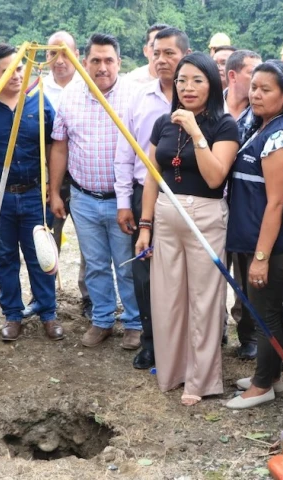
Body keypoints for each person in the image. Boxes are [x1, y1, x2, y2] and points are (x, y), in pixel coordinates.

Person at [135, 52, 239, 406]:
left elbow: (215, 176)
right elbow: (152, 175)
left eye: (197, 80)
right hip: (166, 215)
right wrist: (145, 225)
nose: (187, 87)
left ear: (212, 84)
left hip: (205, 217)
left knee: (204, 301)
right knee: (167, 299)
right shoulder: (163, 123)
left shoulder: (224, 126)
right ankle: (173, 371)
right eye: (182, 80)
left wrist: (195, 131)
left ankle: (201, 379)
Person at [49, 33, 141, 348]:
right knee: (95, 263)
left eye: (108, 60)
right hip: (83, 198)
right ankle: (102, 319)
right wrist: (54, 192)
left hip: (122, 201)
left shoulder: (133, 95)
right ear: (84, 62)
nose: (102, 67)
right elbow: (60, 146)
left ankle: (134, 323)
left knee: (126, 265)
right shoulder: (71, 95)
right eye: (95, 61)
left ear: (119, 62)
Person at [223, 60, 283, 409]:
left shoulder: (280, 136)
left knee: (266, 313)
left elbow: (276, 203)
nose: (256, 94)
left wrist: (261, 257)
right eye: (254, 87)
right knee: (266, 309)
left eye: (265, 89)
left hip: (268, 243)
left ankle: (262, 386)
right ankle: (269, 375)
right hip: (253, 236)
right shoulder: (260, 126)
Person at [0, 44, 61, 342]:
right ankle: (13, 314)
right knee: (5, 256)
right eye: (8, 70)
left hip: (33, 192)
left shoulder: (39, 102)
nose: (16, 75)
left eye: (19, 68)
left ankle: (48, 312)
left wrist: (52, 188)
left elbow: (54, 146)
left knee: (39, 254)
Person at [115, 27, 191, 370]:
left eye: (170, 54)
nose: (162, 60)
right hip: (140, 192)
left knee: (183, 272)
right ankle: (150, 342)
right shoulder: (137, 97)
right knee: (144, 273)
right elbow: (124, 152)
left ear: (185, 56)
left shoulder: (199, 98)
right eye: (157, 52)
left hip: (186, 196)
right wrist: (122, 201)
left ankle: (183, 343)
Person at [40, 31, 92, 320]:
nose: (59, 60)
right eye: (52, 53)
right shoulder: (35, 87)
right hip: (49, 177)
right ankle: (46, 297)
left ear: (76, 56)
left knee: (89, 243)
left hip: (84, 176)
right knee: (48, 237)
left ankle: (89, 297)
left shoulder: (89, 87)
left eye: (65, 53)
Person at [222, 48, 262, 360]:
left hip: (246, 208)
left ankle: (248, 334)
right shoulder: (210, 105)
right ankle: (213, 330)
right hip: (211, 203)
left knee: (246, 274)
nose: (259, 82)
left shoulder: (261, 114)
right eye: (253, 74)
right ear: (233, 75)